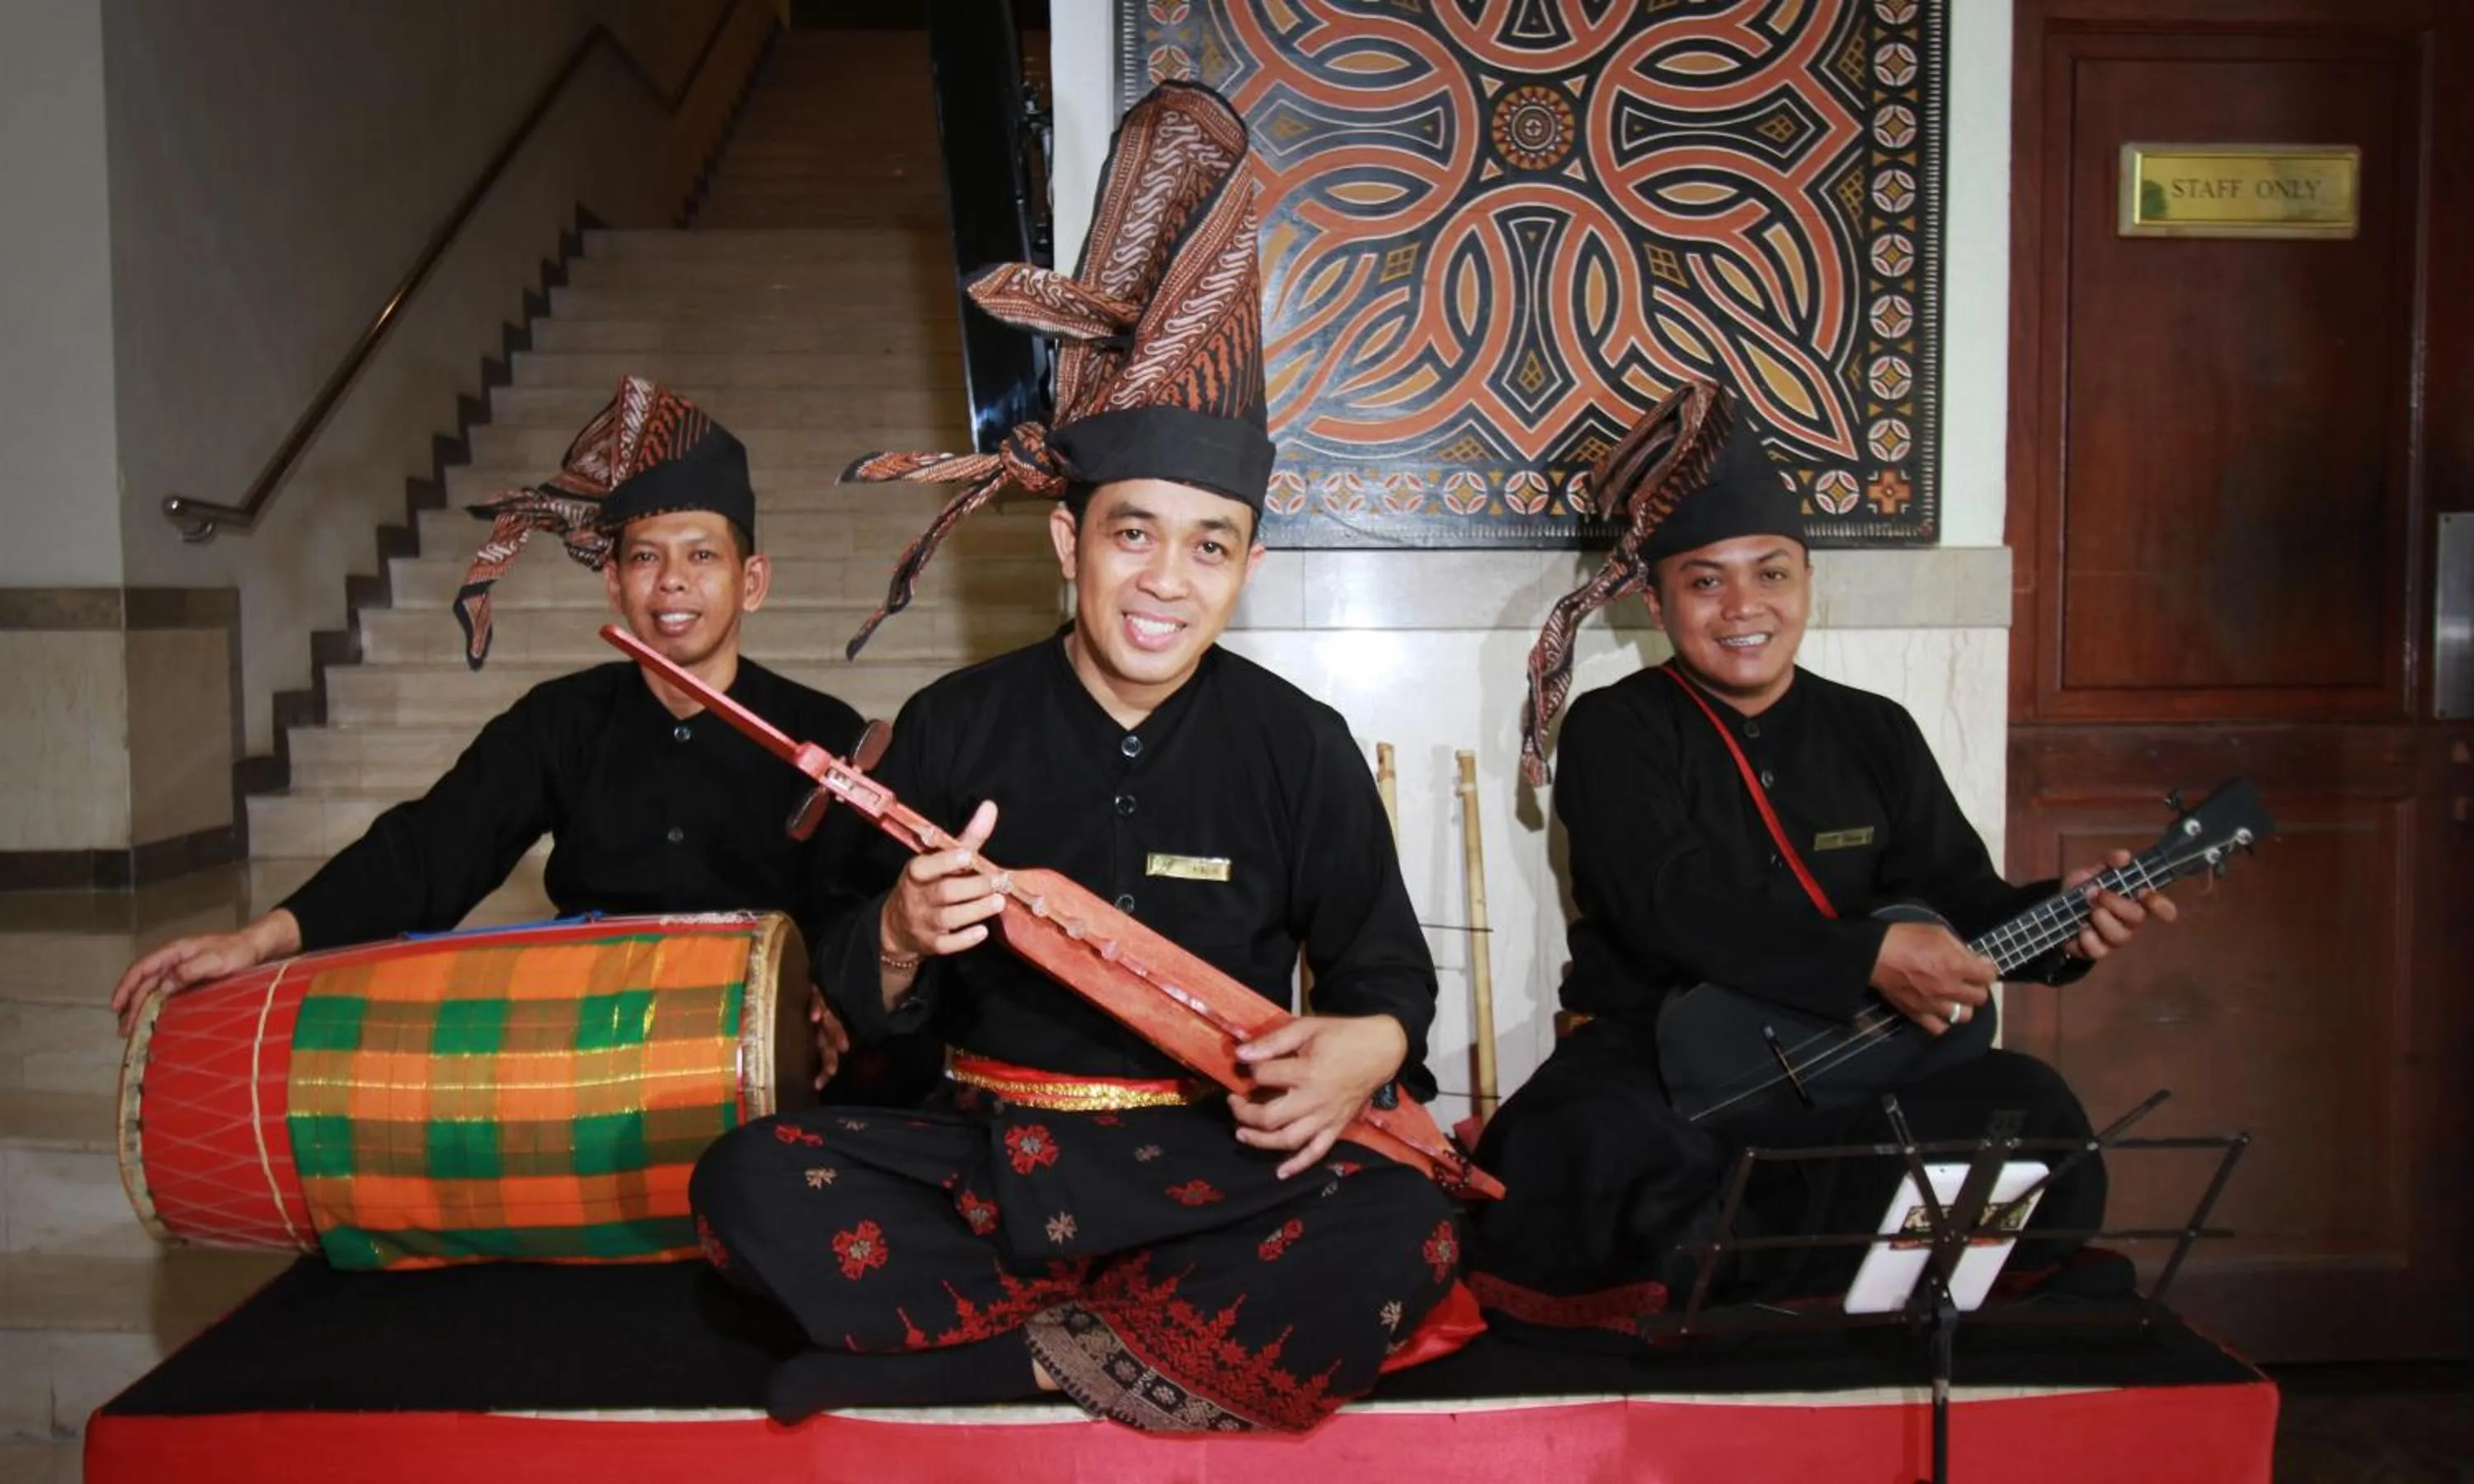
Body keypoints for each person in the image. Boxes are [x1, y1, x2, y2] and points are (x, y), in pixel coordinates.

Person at [686, 81, 1460, 1435]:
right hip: (999, 1158)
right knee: (749, 1181)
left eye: (1210, 545)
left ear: (1249, 568)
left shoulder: (1298, 746)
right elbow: (872, 1018)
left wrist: (1365, 1048)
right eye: (1132, 533)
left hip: (1225, 1161)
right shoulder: (955, 725)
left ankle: (1003, 1362)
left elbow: (1385, 966)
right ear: (1069, 542)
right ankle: (1138, 1350)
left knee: (1408, 1214)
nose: (1168, 579)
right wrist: (909, 932)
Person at [1467, 383, 2176, 1350]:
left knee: (2035, 1109)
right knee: (1588, 1153)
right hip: (1663, 1056)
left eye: (1774, 574)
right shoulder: (1618, 727)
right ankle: (1790, 1293)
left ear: (1811, 582)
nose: (1745, 608)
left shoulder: (1873, 729)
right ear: (1655, 596)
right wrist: (1866, 961)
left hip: (1854, 1049)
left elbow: (1962, 898)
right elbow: (1668, 907)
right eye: (1706, 581)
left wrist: (2067, 921)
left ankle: (1784, 1285)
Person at [110, 378, 877, 1095]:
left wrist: (828, 998)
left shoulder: (823, 734)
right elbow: (432, 848)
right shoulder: (558, 722)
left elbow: (866, 912)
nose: (671, 582)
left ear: (753, 583)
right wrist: (259, 940)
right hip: (589, 1047)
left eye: (702, 554)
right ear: (613, 583)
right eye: (645, 556)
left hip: (757, 1057)